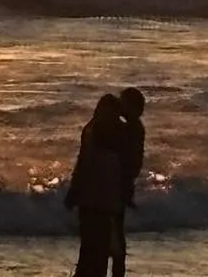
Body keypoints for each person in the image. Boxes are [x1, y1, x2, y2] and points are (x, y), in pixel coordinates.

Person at [65, 93, 127, 277]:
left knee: (93, 251)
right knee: (96, 251)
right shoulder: (100, 131)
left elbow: (82, 163)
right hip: (98, 200)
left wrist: (74, 191)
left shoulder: (96, 131)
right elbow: (83, 163)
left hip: (98, 201)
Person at [112, 87, 147, 277]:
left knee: (116, 232)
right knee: (117, 231)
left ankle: (118, 272)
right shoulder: (134, 127)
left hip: (121, 184)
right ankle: (118, 271)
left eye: (123, 102)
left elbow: (130, 160)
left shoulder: (131, 129)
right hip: (124, 183)